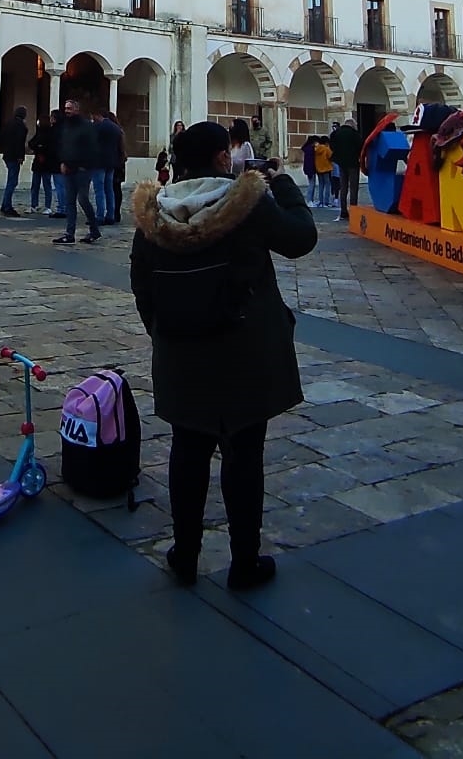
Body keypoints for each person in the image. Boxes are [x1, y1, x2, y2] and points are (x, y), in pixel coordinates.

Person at [130, 121, 318, 590]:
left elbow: (142, 286)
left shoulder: (154, 216)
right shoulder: (246, 205)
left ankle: (186, 555)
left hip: (181, 352)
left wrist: (164, 334)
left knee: (187, 452)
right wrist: (286, 185)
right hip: (244, 350)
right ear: (220, 158)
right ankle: (244, 561)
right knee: (244, 454)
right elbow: (300, 239)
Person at [54, 97, 102, 244]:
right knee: (69, 202)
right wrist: (63, 161)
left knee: (83, 199)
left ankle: (94, 229)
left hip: (82, 169)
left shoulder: (87, 126)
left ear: (76, 109)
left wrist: (83, 164)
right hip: (69, 169)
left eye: (69, 108)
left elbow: (91, 148)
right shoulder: (66, 126)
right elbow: (64, 146)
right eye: (65, 108)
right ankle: (69, 234)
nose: (66, 111)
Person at [94, 109, 127, 224]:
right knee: (109, 189)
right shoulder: (116, 128)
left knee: (99, 189)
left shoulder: (98, 127)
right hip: (112, 163)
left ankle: (100, 215)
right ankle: (111, 215)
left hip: (99, 162)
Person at [0, 106, 30, 217]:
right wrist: (20, 156)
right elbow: (20, 142)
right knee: (12, 181)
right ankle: (7, 206)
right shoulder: (21, 126)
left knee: (11, 180)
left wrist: (6, 147)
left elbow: (0, 137)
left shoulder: (8, 124)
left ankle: (5, 205)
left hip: (7, 155)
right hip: (14, 156)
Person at [29, 111, 58, 215]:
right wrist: (38, 147)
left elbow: (49, 147)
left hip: (45, 162)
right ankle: (34, 205)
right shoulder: (40, 132)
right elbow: (31, 143)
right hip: (40, 162)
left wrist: (39, 148)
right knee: (36, 185)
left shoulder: (50, 132)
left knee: (46, 185)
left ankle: (47, 206)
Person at [330, 119, 362, 211]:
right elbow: (360, 147)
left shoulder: (336, 133)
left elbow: (332, 147)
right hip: (353, 163)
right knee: (353, 187)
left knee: (343, 187)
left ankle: (343, 210)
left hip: (341, 163)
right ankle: (353, 209)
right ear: (352, 125)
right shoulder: (354, 134)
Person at [311, 136, 335, 208]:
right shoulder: (326, 149)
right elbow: (331, 157)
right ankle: (326, 202)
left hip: (318, 169)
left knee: (321, 185)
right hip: (326, 169)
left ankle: (321, 201)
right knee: (327, 185)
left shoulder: (316, 149)